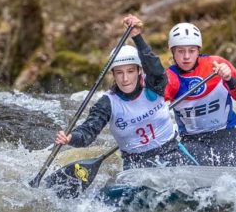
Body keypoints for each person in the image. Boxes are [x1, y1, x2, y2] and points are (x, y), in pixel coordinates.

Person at [53, 16, 191, 170]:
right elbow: (87, 132)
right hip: (136, 164)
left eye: (130, 71)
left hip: (172, 154)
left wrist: (137, 36)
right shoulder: (107, 103)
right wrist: (70, 138)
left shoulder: (154, 85)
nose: (125, 78)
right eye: (119, 73)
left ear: (139, 70)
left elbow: (154, 67)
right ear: (113, 74)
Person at [161, 21, 236, 167]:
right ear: (172, 52)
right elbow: (152, 105)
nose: (186, 56)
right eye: (180, 51)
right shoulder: (170, 77)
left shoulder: (217, 65)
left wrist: (230, 80)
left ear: (198, 50)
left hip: (227, 134)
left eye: (191, 51)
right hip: (192, 141)